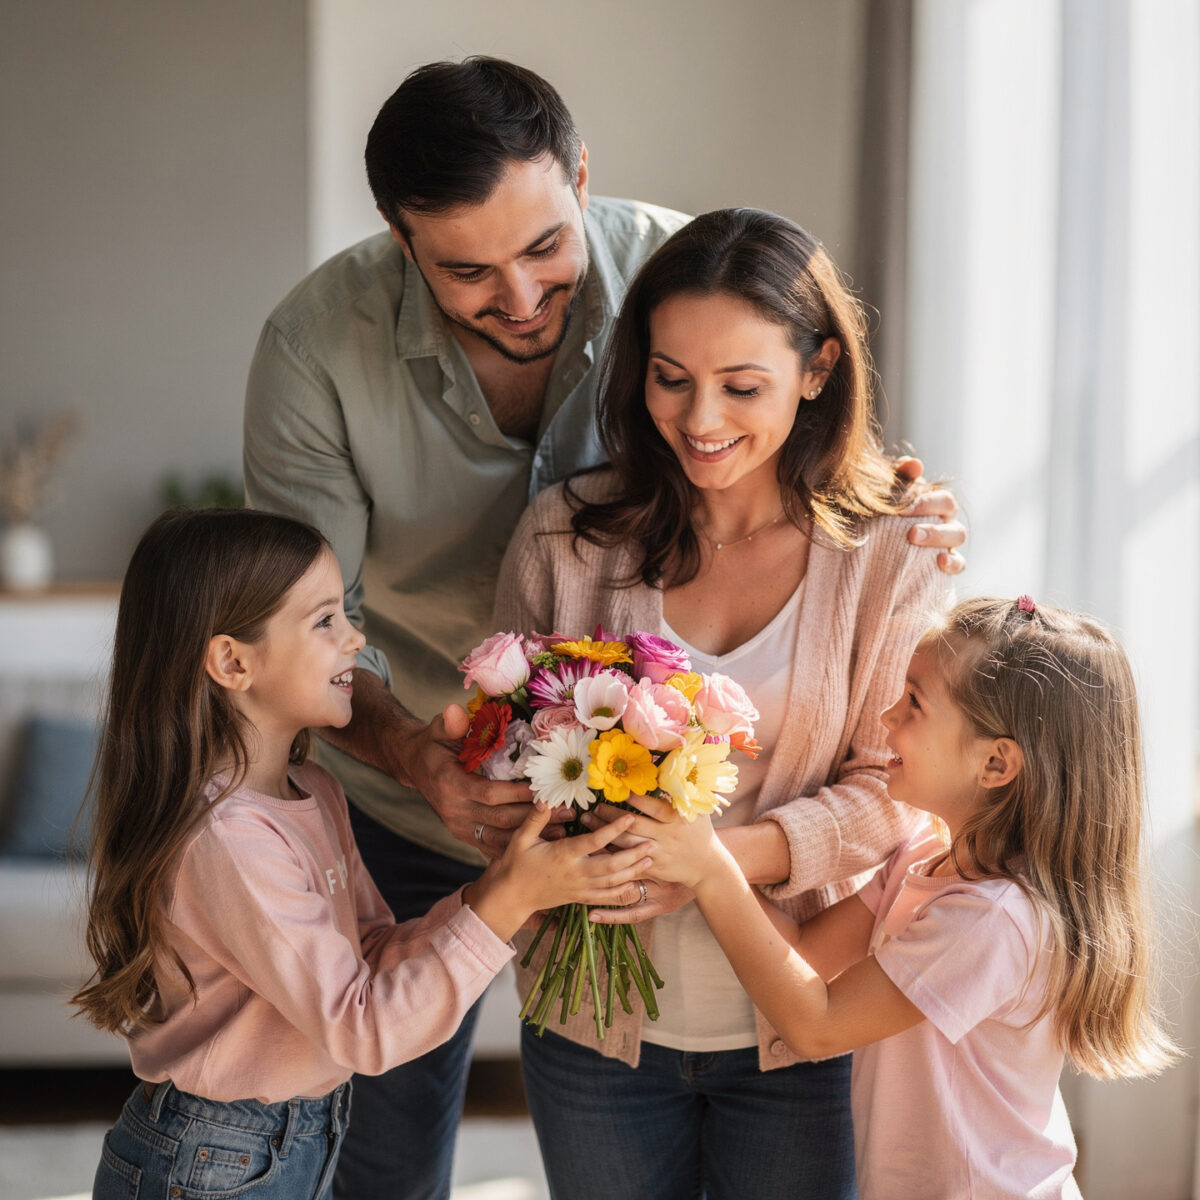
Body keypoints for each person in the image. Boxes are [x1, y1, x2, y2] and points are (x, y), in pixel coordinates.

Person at [243, 57, 966, 1199]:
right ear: (398, 238)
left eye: (545, 250)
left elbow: (787, 367)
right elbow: (295, 625)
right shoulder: (318, 357)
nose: (522, 299)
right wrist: (430, 756)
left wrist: (890, 497)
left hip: (770, 984)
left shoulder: (681, 273)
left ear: (582, 180)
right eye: (469, 272)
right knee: (379, 1142)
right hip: (401, 775)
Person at [493, 207, 953, 1199]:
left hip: (807, 1028)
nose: (700, 421)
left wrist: (712, 866)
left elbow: (903, 788)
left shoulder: (889, 555)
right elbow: (508, 760)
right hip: (593, 1035)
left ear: (819, 369)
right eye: (671, 379)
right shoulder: (564, 539)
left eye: (743, 386)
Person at [71, 508, 651, 1200]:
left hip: (287, 1141)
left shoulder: (312, 790)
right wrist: (505, 903)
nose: (356, 638)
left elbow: (368, 952)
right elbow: (362, 1027)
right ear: (232, 661)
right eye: (324, 622)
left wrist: (501, 898)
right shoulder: (227, 839)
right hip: (210, 1162)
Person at [630, 595, 1178, 1199]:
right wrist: (697, 841)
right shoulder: (925, 856)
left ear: (996, 763)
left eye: (913, 703)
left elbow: (817, 1025)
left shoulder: (990, 919)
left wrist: (710, 867)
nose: (886, 717)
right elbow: (806, 952)